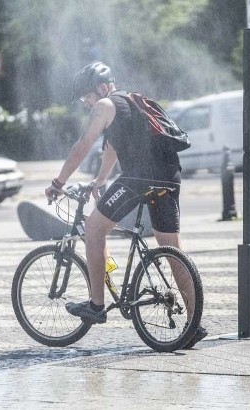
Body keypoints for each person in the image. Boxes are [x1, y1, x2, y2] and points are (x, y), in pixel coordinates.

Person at [44, 62, 207, 347]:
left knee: (94, 230)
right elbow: (112, 147)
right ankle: (194, 323)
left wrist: (58, 183)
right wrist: (100, 180)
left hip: (139, 176)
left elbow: (82, 146)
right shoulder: (132, 102)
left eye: (87, 97)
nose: (87, 104)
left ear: (102, 88)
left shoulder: (105, 105)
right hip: (169, 175)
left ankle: (96, 305)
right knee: (171, 249)